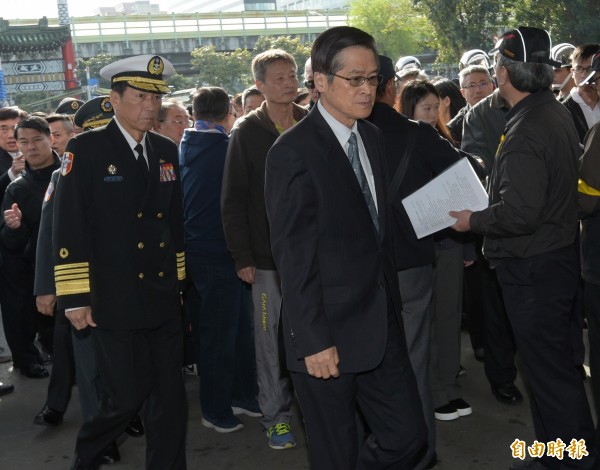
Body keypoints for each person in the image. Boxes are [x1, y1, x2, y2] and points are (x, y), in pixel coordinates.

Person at [265, 26, 427, 470]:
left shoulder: (371, 137)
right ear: (319, 81)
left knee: (408, 438)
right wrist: (313, 341)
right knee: (334, 453)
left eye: (372, 79)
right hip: (325, 338)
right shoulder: (292, 152)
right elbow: (293, 259)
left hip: (380, 327)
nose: (366, 89)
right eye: (354, 79)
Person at [451, 26, 596, 470]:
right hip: (552, 257)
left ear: (505, 73)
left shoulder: (528, 127)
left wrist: (471, 220)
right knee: (555, 369)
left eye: (496, 66)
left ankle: (571, 461)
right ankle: (561, 454)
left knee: (548, 373)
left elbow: (519, 213)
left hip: (533, 266)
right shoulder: (549, 111)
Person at [52, 54, 187, 470]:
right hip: (115, 296)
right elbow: (69, 225)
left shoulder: (165, 149)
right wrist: (75, 296)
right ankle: (88, 455)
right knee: (125, 399)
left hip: (162, 294)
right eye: (141, 97)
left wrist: (180, 281)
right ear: (114, 98)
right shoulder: (87, 149)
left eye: (156, 98)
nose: (151, 106)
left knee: (170, 401)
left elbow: (174, 223)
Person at [368, 54, 481, 469]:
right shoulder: (415, 133)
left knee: (366, 364)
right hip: (413, 264)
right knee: (414, 362)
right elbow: (468, 171)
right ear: (392, 86)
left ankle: (378, 451)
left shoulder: (341, 132)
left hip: (358, 271)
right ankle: (420, 455)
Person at [221, 48, 308, 450]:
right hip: (266, 260)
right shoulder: (246, 132)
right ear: (259, 85)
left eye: (291, 75)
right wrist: (243, 257)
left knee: (311, 333)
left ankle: (313, 407)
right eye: (278, 77)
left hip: (310, 257)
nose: (289, 83)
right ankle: (275, 416)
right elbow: (232, 200)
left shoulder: (310, 124)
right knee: (268, 340)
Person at [179, 86, 258, 433]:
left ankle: (241, 395)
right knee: (220, 338)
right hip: (220, 254)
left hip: (204, 253)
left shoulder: (185, 145)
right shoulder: (225, 150)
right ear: (230, 111)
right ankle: (215, 409)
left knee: (235, 331)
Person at [399, 79, 474, 422]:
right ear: (408, 110)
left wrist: (470, 244)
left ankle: (449, 385)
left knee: (449, 316)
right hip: (416, 249)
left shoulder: (446, 141)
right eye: (424, 108)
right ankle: (431, 390)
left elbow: (466, 193)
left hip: (450, 244)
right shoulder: (401, 143)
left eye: (435, 108)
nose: (431, 115)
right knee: (423, 321)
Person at [0, 112, 51, 380]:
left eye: (36, 140)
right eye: (24, 141)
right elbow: (9, 242)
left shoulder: (72, 173)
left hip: (71, 262)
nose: (30, 147)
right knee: (22, 314)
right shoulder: (17, 189)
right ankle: (27, 359)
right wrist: (14, 227)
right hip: (27, 264)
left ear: (50, 139)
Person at [0, 105, 28, 372]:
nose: (10, 135)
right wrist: (11, 174)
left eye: (14, 128)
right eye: (3, 128)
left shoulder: (38, 152)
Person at [562, 43, 600, 143]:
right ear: (572, 72)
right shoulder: (563, 110)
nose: (583, 75)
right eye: (578, 69)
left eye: (590, 69)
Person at [447, 65, 494, 146]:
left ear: (491, 86)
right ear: (463, 93)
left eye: (483, 84)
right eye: (471, 85)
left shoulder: (506, 112)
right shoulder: (455, 127)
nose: (478, 90)